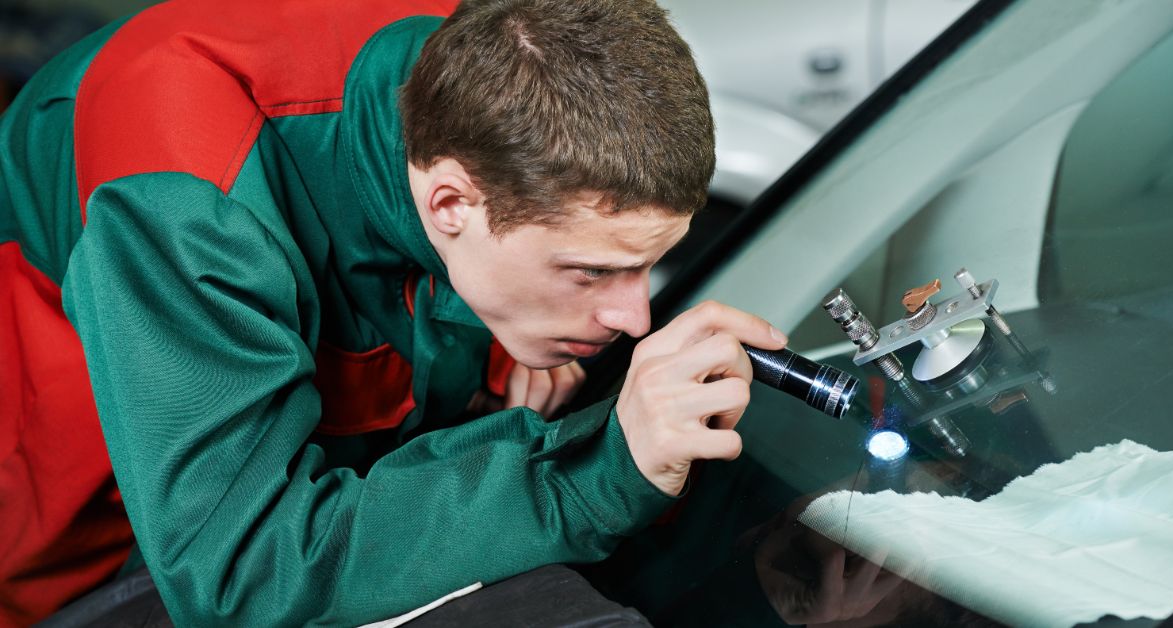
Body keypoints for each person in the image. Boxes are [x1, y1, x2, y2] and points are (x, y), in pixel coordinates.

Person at [0, 0, 787, 625]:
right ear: (450, 200)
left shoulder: (485, 70)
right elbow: (240, 573)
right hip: (76, 508)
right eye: (592, 271)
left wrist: (499, 346)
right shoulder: (185, 201)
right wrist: (594, 474)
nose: (634, 317)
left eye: (646, 264)